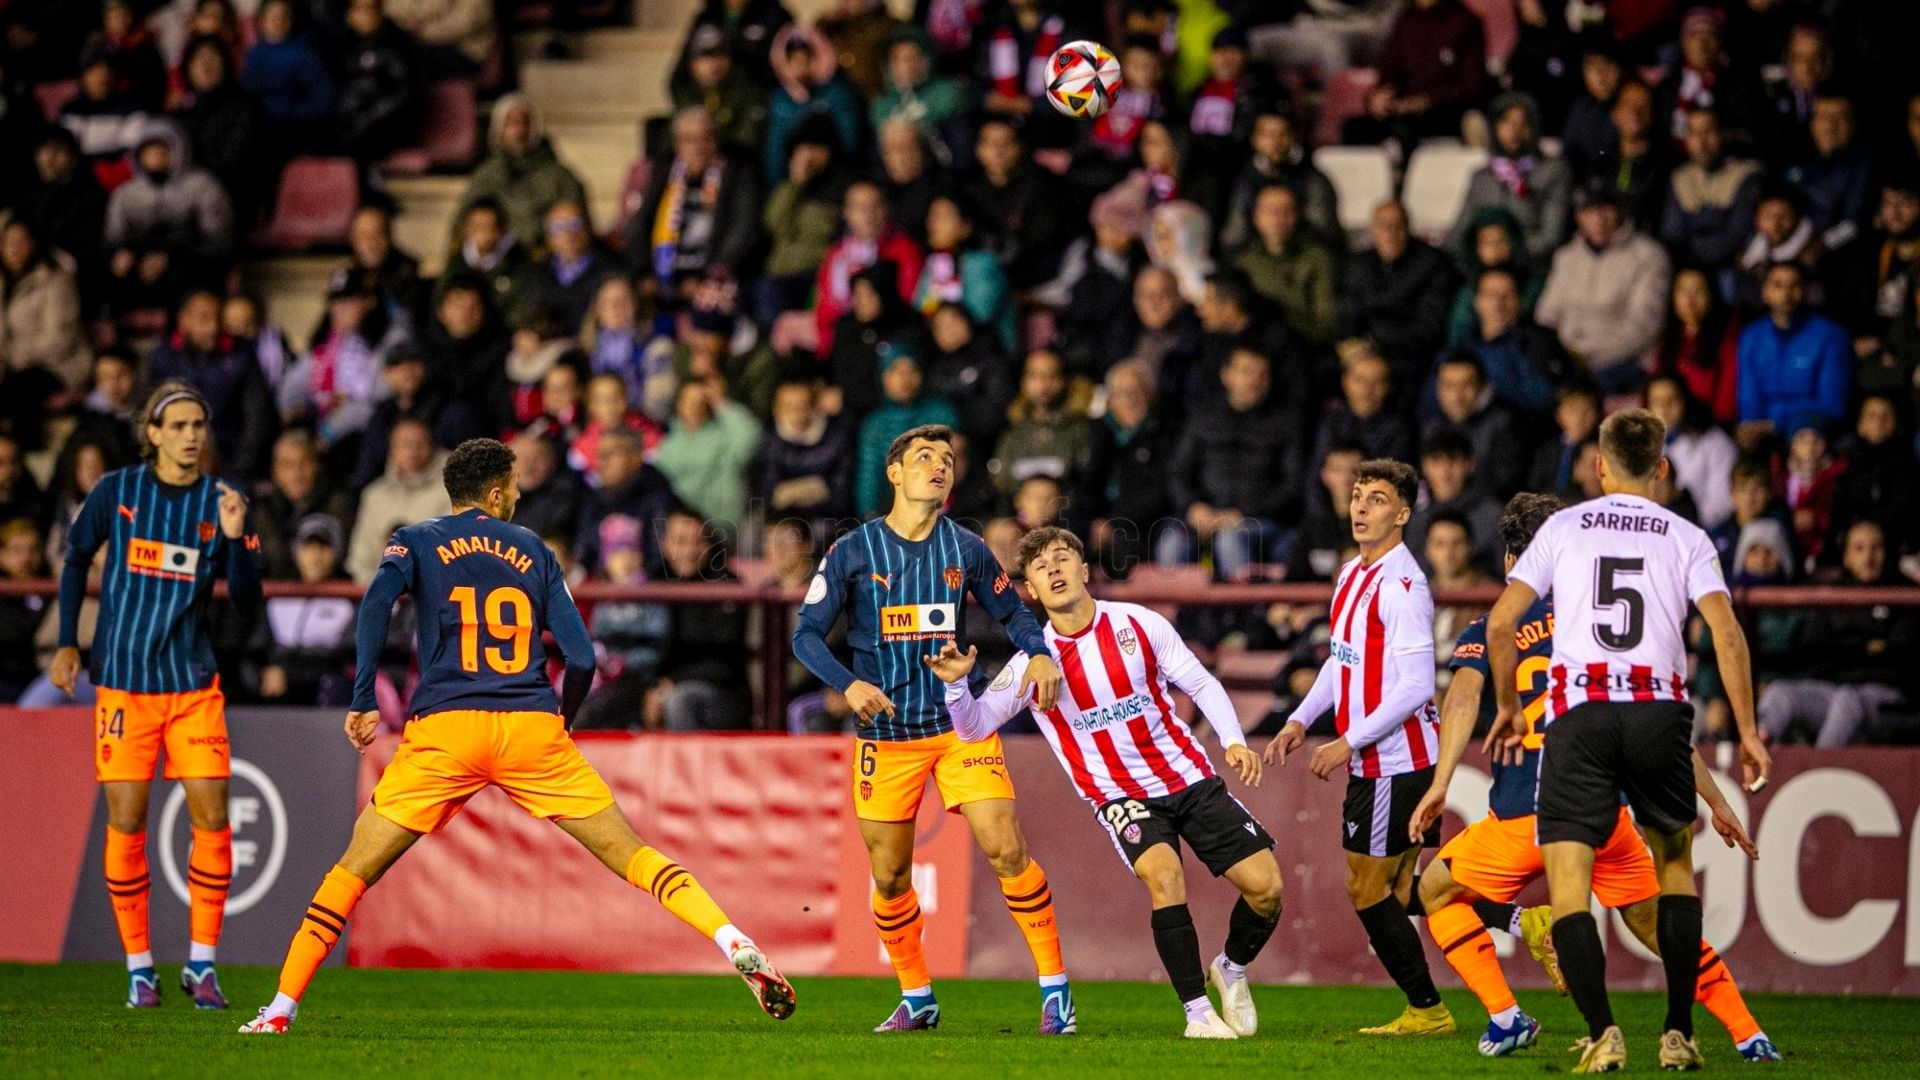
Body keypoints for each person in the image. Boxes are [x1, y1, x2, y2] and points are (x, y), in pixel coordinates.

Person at [237, 438, 795, 1034]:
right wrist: (564, 722)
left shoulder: (418, 540)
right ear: (497, 492)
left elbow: (376, 601)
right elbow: (579, 656)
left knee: (351, 871)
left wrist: (362, 695)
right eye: (516, 487)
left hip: (447, 730)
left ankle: (280, 1010)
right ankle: (729, 936)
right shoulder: (531, 547)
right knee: (632, 854)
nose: (522, 495)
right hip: (530, 726)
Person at [1407, 492, 1783, 1063]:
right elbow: (1661, 729)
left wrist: (1440, 782)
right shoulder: (1603, 629)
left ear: (1514, 563)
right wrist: (1714, 801)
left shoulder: (1491, 627)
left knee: (1435, 890)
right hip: (1607, 814)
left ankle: (1512, 1018)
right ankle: (1747, 1033)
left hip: (1521, 819)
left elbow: (1461, 699)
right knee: (1660, 929)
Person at [1482, 409, 1771, 1072]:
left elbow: (1502, 625)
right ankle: (1677, 1031)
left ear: (1600, 467)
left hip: (1579, 715)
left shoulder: (1563, 527)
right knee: (1673, 869)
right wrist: (1748, 732)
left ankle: (1604, 1031)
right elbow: (1727, 634)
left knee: (1568, 886)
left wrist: (1505, 707)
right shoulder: (1689, 536)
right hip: (1659, 713)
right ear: (1663, 468)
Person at [934, 526, 1282, 1040]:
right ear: (1029, 588)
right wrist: (958, 684)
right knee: (1165, 879)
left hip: (1188, 777)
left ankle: (1229, 968)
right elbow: (974, 726)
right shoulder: (1034, 662)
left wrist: (1232, 739)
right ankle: (1197, 1013)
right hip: (1120, 796)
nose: (1052, 569)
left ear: (1083, 569)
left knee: (1268, 890)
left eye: (1061, 558)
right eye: (1039, 566)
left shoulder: (1138, 624)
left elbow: (1200, 681)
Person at [791, 424, 1072, 1034]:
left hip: (958, 730)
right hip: (885, 740)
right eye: (924, 457)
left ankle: (1056, 992)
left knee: (1005, 846)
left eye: (947, 458)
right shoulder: (852, 551)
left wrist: (1042, 651)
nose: (939, 465)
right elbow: (804, 633)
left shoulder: (967, 548)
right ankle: (917, 997)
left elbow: (1015, 615)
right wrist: (849, 683)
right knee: (890, 875)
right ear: (894, 473)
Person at [48, 382, 261, 1010]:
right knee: (127, 821)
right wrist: (67, 642)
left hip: (192, 687)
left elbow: (247, 604)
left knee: (213, 819)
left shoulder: (223, 501)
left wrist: (238, 540)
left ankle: (202, 964)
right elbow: (74, 558)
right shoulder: (117, 491)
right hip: (124, 685)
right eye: (180, 426)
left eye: (201, 424)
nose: (193, 435)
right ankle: (140, 967)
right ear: (154, 433)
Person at [1261, 458, 1451, 1036]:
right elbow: (1341, 666)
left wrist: (1347, 739)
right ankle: (1525, 921)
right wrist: (1299, 720)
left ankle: (1427, 1009)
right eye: (1358, 496)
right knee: (1400, 892)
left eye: (1377, 499)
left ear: (1403, 512)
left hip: (1399, 762)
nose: (1362, 508)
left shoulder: (1403, 587)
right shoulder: (1351, 574)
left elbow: (1418, 686)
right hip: (1377, 759)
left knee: (1367, 891)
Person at [1758, 520, 1915, 747]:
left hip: (1886, 697)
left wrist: (1846, 648)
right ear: (1847, 556)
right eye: (1859, 549)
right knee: (1779, 693)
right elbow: (1814, 650)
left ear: (1887, 551)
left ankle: (1814, 773)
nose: (1869, 557)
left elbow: (1900, 656)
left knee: (1848, 699)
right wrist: (1865, 647)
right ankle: (1758, 764)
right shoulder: (1834, 596)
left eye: (1876, 548)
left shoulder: (1905, 594)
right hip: (1833, 689)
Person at [1160, 348, 1304, 580]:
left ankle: (1241, 616)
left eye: (1262, 374)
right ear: (1227, 375)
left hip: (1260, 519)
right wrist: (1192, 507)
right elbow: (1178, 471)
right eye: (1246, 372)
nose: (1254, 380)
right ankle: (1171, 616)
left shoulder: (1286, 422)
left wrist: (1242, 514)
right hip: (1202, 516)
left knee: (1229, 539)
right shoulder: (1202, 417)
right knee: (1171, 542)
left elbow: (1292, 486)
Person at [1535, 185, 1671, 395]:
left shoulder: (1648, 255)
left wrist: (1585, 356)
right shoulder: (1567, 256)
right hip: (1569, 360)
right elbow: (1546, 315)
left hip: (1623, 362)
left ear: (1620, 211)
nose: (1598, 219)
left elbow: (1644, 326)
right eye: (1589, 211)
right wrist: (1559, 354)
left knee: (1583, 392)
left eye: (1605, 209)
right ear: (1579, 216)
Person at [454, 95, 589, 252]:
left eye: (524, 122)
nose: (519, 130)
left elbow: (580, 226)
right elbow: (461, 227)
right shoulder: (486, 177)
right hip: (499, 262)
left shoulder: (560, 177)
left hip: (549, 261)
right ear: (499, 130)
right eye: (510, 123)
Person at [1453, 92, 1574, 264]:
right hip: (1483, 265)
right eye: (1506, 122)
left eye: (1523, 123)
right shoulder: (1481, 176)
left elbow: (1550, 238)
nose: (1514, 131)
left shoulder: (1554, 171)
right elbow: (1460, 233)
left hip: (1529, 266)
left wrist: (1505, 251)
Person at [1736, 261, 1851, 441]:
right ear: (1764, 292)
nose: (1786, 294)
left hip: (1811, 429)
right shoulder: (1750, 336)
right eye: (1778, 285)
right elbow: (1748, 396)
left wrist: (1775, 422)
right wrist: (1750, 425)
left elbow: (1833, 404)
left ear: (1806, 291)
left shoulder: (1830, 336)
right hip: (1760, 430)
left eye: (1794, 285)